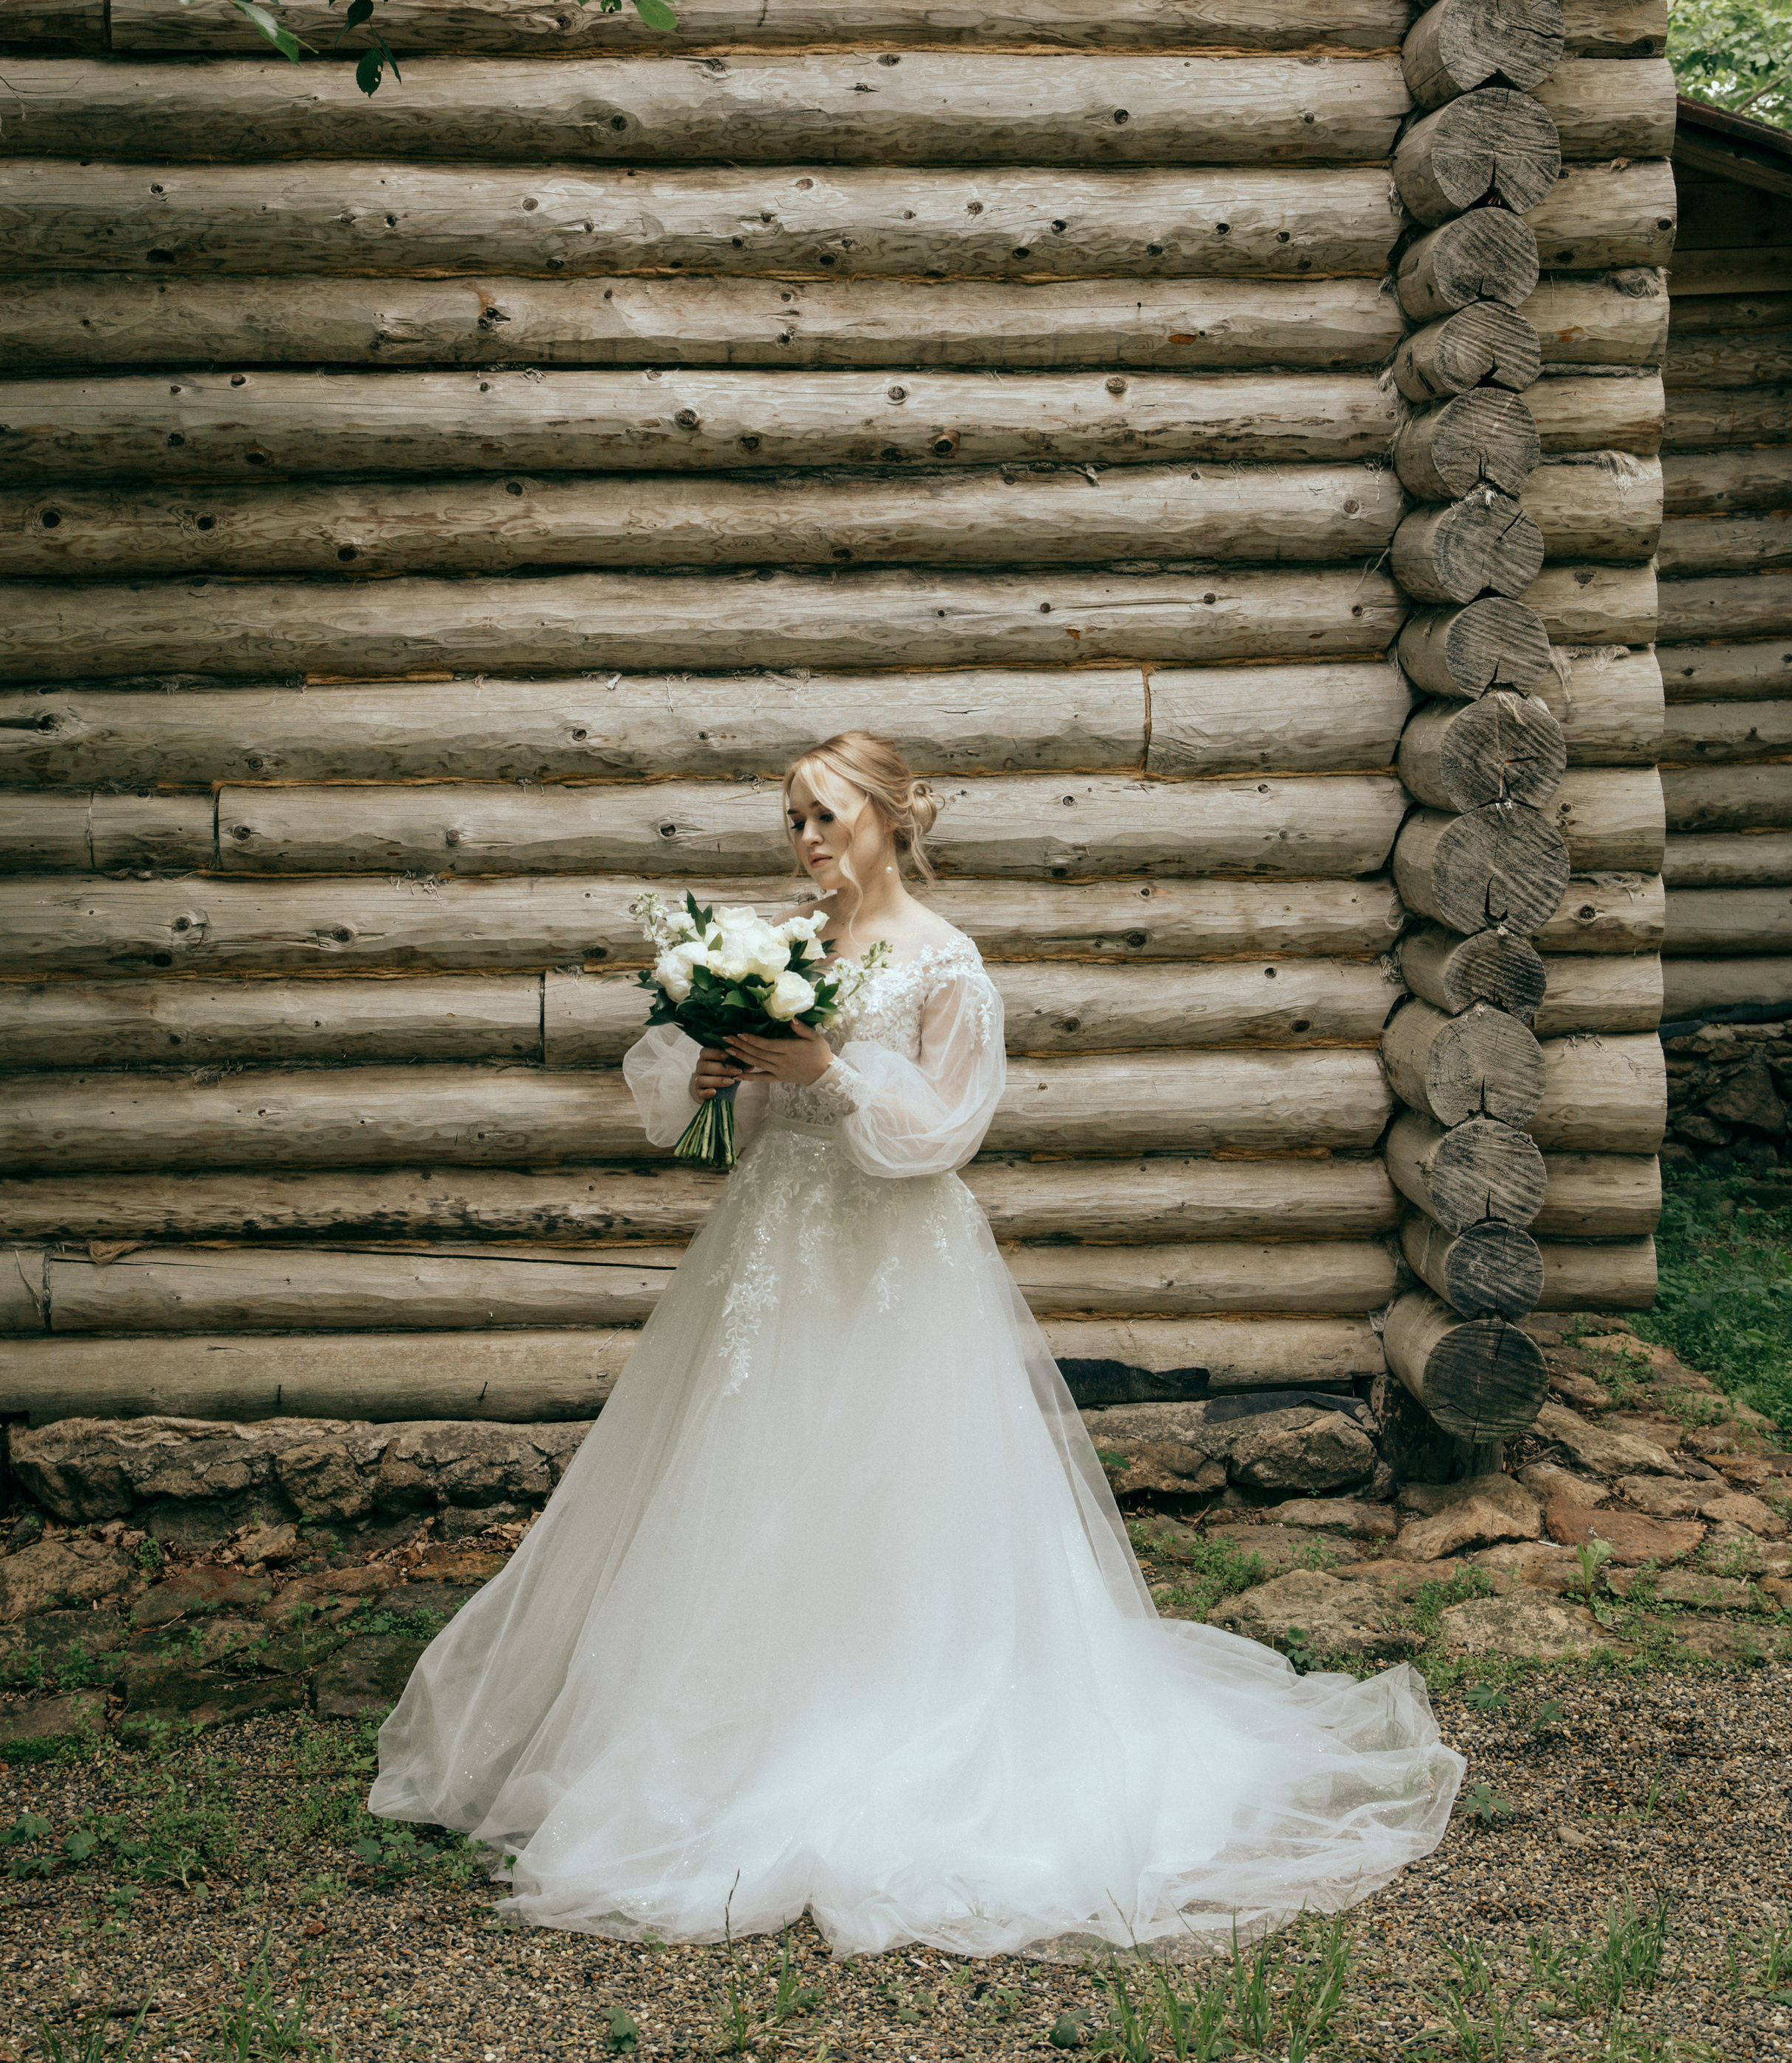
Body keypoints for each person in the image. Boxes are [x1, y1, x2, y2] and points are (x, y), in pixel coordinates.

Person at [370, 731, 1461, 1956]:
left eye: (827, 816)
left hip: (893, 1267)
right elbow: (672, 1101)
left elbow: (943, 1135)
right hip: (770, 1251)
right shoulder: (783, 946)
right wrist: (722, 1068)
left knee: (889, 1485)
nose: (807, 840)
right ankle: (726, 1727)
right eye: (793, 820)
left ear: (892, 819)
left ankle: (897, 1721)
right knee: (744, 1473)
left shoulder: (948, 964)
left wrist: (828, 1069)